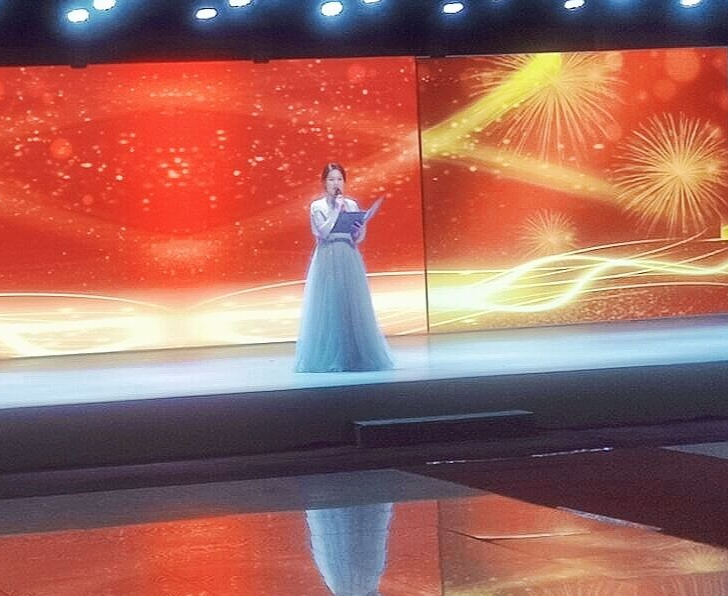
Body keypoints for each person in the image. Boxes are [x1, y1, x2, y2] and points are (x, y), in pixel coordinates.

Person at [295, 163, 393, 372]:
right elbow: (323, 232)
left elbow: (358, 237)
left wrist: (358, 228)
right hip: (328, 256)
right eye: (331, 179)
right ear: (324, 183)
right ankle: (329, 356)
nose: (336, 183)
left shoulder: (352, 204)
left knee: (352, 304)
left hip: (348, 255)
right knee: (330, 303)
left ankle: (355, 355)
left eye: (339, 179)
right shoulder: (317, 206)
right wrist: (336, 210)